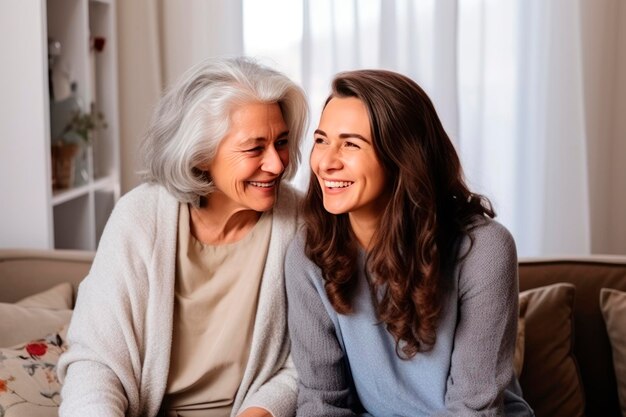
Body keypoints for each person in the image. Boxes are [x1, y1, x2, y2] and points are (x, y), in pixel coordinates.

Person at [57, 57, 308, 417]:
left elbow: (307, 360)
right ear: (201, 154)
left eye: (281, 142)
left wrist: (260, 412)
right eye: (255, 148)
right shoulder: (139, 217)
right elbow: (97, 361)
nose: (277, 164)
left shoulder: (299, 222)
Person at [285, 69, 534, 416]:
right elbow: (322, 402)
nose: (326, 162)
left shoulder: (484, 251)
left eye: (351, 144)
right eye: (322, 140)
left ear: (402, 155)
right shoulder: (309, 253)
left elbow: (474, 410)